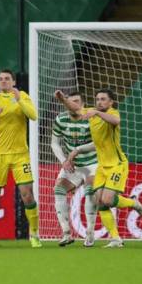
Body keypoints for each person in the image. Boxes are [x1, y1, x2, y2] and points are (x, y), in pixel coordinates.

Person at [65, 89, 142, 248]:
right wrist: (62, 98)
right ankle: (116, 239)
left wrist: (96, 112)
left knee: (108, 200)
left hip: (117, 164)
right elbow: (74, 107)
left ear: (111, 102)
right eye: (97, 99)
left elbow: (115, 121)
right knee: (98, 201)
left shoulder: (112, 113)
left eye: (103, 99)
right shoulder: (91, 113)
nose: (99, 102)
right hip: (102, 166)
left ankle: (133, 203)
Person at [0, 69, 41, 248]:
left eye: (7, 79)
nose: (3, 82)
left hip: (20, 155)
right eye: (0, 79)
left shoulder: (21, 95)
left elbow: (33, 115)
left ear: (13, 81)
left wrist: (19, 100)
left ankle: (34, 233)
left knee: (27, 194)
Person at [52, 91, 98, 247]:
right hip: (72, 164)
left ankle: (90, 233)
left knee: (90, 191)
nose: (73, 105)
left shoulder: (91, 118)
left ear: (83, 105)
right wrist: (63, 160)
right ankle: (66, 233)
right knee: (58, 189)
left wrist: (78, 149)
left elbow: (97, 143)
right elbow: (54, 143)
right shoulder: (61, 119)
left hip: (92, 162)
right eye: (70, 102)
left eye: (77, 101)